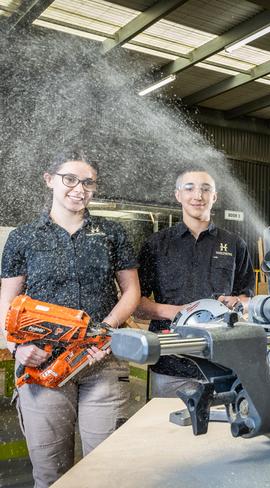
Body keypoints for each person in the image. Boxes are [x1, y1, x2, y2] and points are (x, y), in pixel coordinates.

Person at [0, 149, 140, 488]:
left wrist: (104, 331)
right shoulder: (23, 237)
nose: (79, 188)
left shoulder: (111, 232)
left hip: (102, 362)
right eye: (70, 179)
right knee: (50, 473)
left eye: (88, 182)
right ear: (49, 180)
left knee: (104, 470)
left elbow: (131, 292)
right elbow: (7, 304)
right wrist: (17, 348)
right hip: (43, 364)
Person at [136, 169, 255, 398]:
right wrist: (179, 312)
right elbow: (138, 305)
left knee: (222, 430)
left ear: (215, 197)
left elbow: (247, 298)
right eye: (189, 188)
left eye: (205, 189)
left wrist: (237, 302)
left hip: (222, 362)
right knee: (167, 428)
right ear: (178, 195)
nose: (198, 195)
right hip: (170, 366)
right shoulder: (156, 245)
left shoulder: (234, 244)